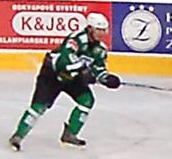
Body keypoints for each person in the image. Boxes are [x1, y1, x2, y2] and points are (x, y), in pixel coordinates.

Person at [9, 13, 121, 150]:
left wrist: (106, 78)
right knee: (38, 107)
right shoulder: (76, 39)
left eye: (104, 30)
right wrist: (84, 72)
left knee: (87, 100)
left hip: (72, 78)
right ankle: (18, 136)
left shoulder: (100, 49)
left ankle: (70, 134)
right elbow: (64, 64)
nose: (101, 33)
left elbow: (98, 68)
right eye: (98, 29)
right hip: (52, 75)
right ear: (90, 28)